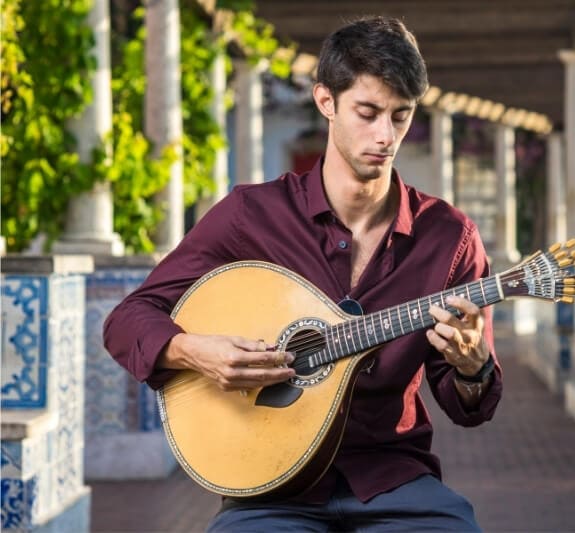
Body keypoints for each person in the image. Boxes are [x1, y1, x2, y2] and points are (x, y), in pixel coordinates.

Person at [104, 15, 502, 532]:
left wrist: (473, 368)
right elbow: (128, 319)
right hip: (271, 489)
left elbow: (468, 408)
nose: (385, 136)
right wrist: (194, 351)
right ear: (326, 101)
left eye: (401, 117)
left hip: (394, 482)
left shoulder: (449, 238)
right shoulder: (253, 215)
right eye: (368, 112)